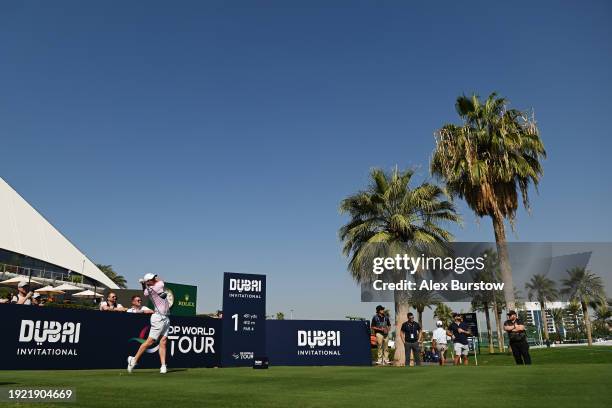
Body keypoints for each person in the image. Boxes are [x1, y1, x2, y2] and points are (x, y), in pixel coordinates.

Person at [127, 273, 170, 374]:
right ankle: (134, 360)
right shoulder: (158, 286)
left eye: (154, 277)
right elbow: (161, 281)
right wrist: (145, 282)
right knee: (150, 342)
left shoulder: (149, 290)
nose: (155, 278)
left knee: (163, 341)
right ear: (149, 282)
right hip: (158, 318)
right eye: (152, 278)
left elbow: (145, 292)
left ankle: (163, 366)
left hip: (166, 317)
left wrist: (143, 284)